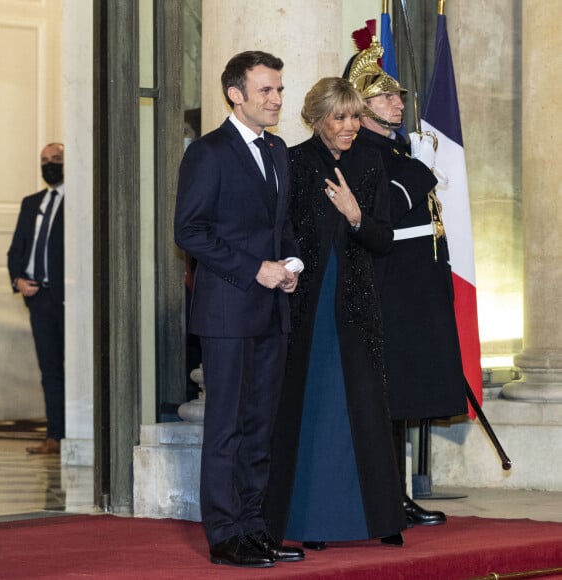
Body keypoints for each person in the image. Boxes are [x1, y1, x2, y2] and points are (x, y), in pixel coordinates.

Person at [263, 77, 406, 550]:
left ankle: (382, 517)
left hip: (357, 302)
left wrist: (355, 214)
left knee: (365, 405)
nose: (349, 126)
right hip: (306, 301)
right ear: (316, 119)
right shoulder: (295, 161)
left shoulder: (370, 162)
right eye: (339, 118)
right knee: (313, 406)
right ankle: (311, 522)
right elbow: (280, 229)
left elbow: (383, 239)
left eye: (353, 116)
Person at [174, 51, 304, 568]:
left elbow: (282, 225)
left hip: (272, 308)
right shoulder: (208, 152)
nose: (276, 100)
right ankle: (225, 534)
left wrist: (289, 261)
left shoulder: (277, 150)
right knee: (226, 426)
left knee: (259, 425)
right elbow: (189, 230)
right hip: (228, 311)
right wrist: (257, 268)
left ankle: (255, 528)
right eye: (266, 91)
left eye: (279, 90)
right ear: (236, 94)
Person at [346, 37, 468, 525]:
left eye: (397, 97)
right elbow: (385, 213)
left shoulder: (395, 151)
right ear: (362, 106)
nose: (399, 104)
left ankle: (394, 495)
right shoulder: (367, 155)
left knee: (402, 398)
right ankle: (388, 497)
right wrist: (418, 171)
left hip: (413, 290)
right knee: (389, 399)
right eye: (386, 98)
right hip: (390, 289)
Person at [7, 142, 65, 455]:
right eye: (44, 160)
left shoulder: (78, 201)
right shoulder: (32, 203)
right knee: (50, 369)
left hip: (68, 300)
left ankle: (79, 435)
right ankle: (54, 436)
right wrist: (17, 279)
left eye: (56, 159)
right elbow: (16, 250)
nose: (50, 164)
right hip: (38, 300)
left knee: (77, 369)